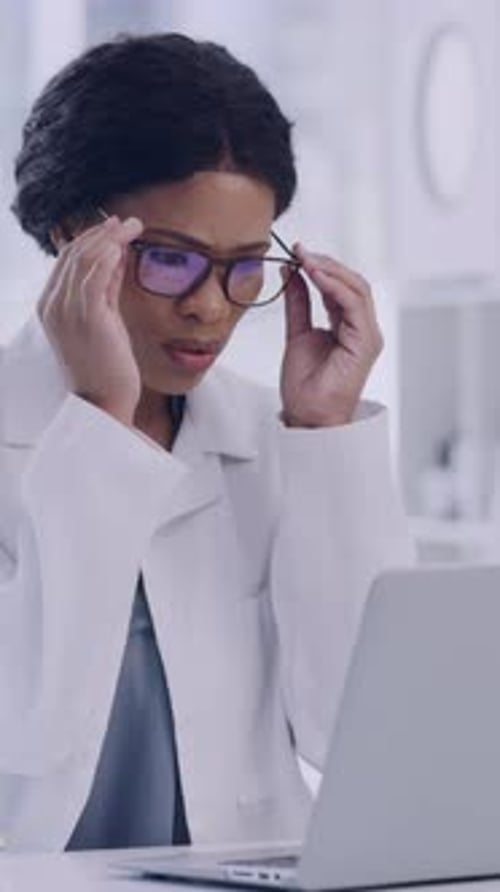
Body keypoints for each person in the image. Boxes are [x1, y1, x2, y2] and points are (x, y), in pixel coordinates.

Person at [0, 32, 412, 853]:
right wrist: (102, 418)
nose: (211, 307)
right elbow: (30, 725)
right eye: (168, 259)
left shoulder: (276, 437)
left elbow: (359, 734)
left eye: (244, 265)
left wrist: (326, 435)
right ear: (68, 236)